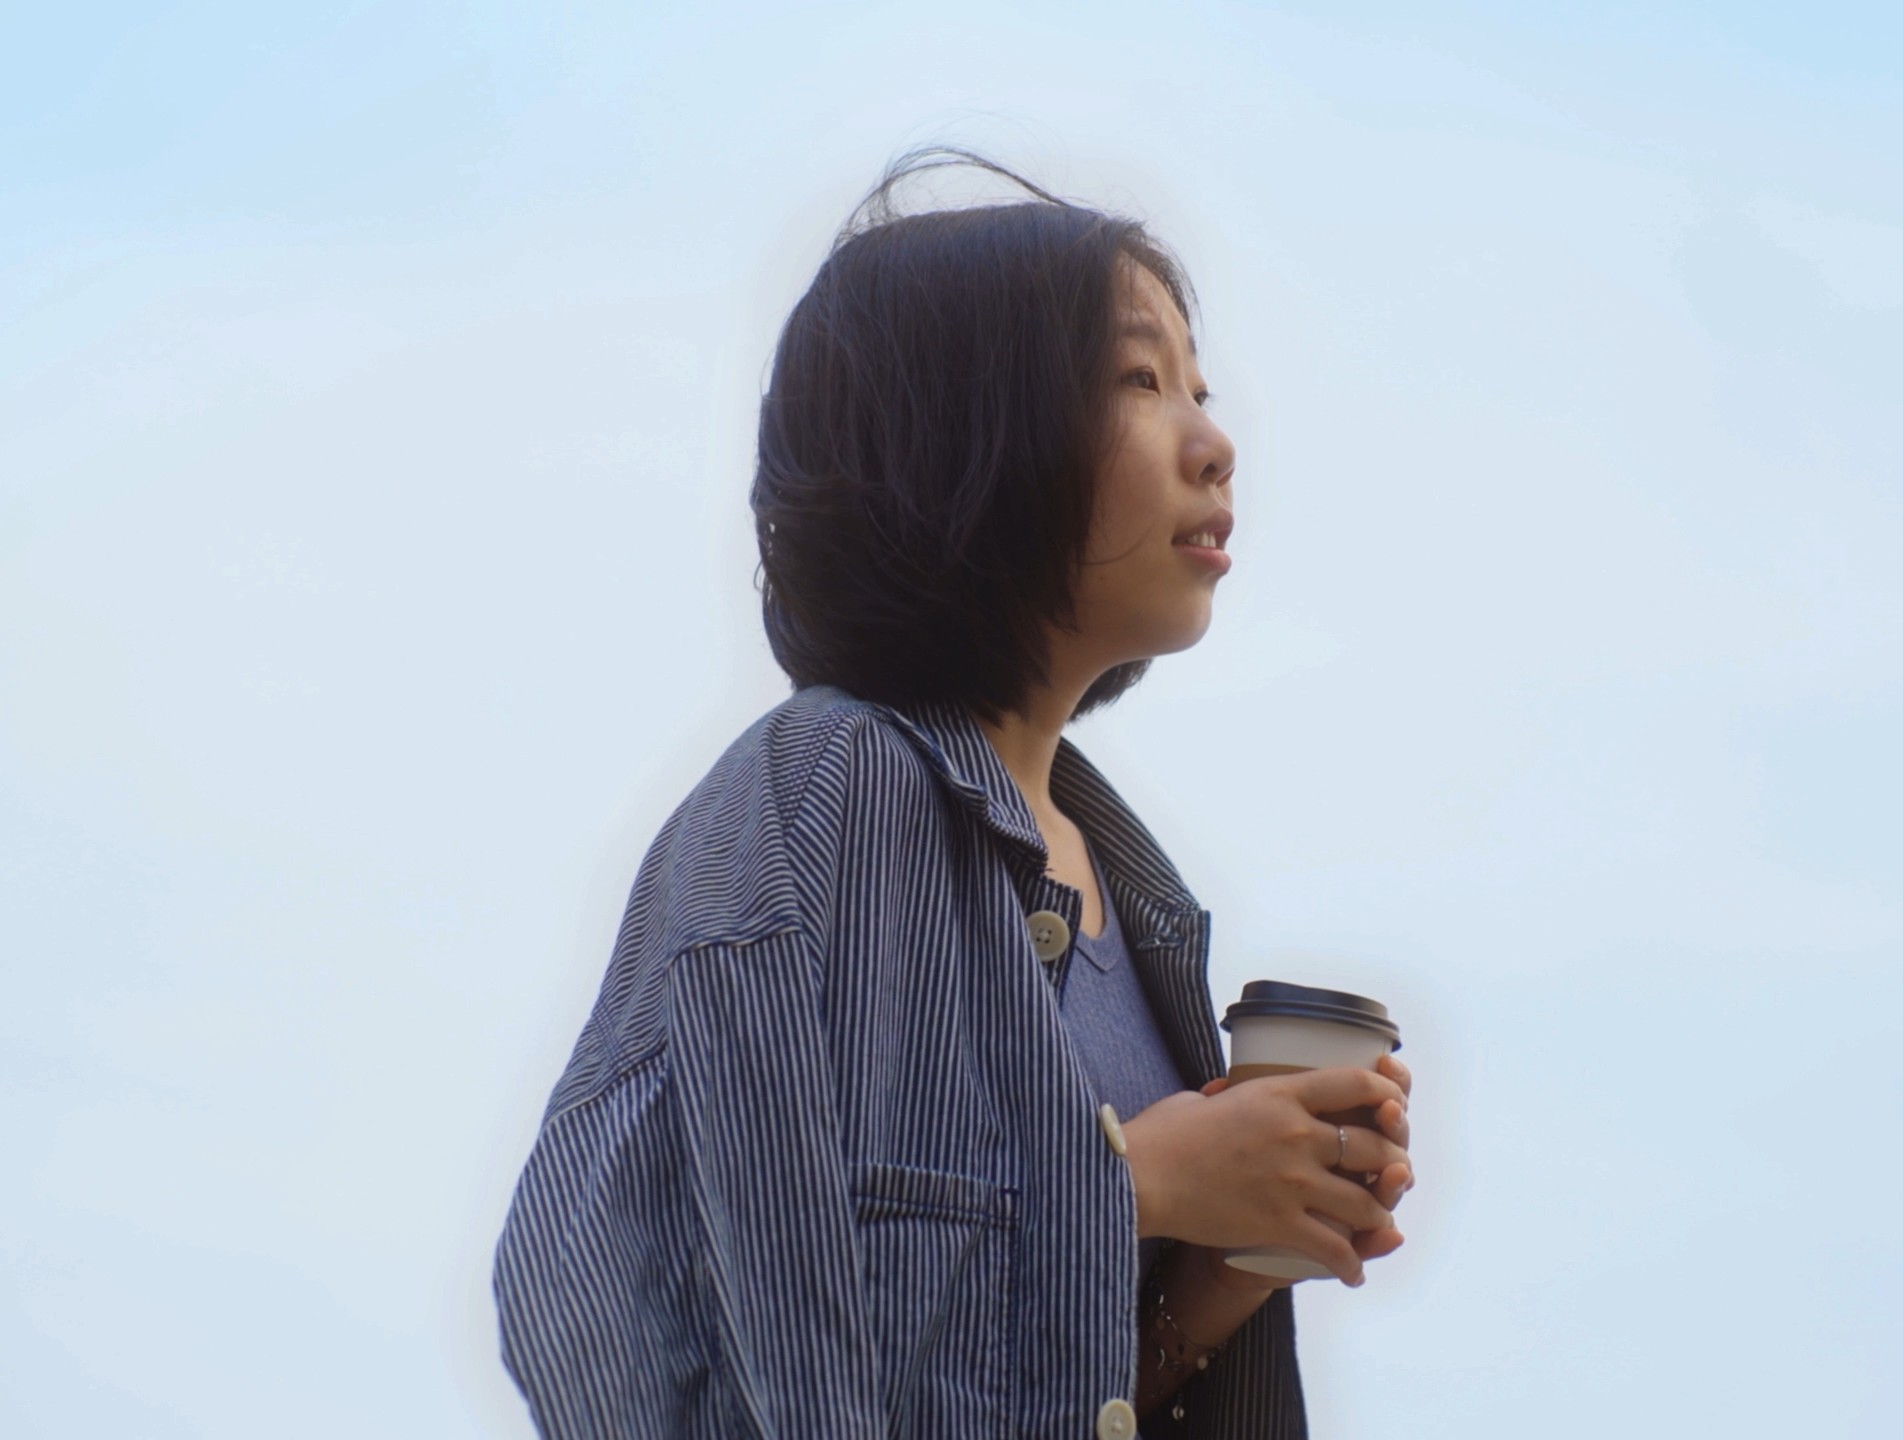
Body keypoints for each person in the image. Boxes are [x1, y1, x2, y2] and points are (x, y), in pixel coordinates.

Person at [491, 149, 1417, 1440]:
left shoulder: (1131, 894)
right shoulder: (827, 788)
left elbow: (1024, 1391)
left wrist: (1224, 1263)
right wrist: (1129, 1183)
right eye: (1140, 381)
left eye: (1198, 387)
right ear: (964, 438)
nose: (1214, 441)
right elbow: (611, 1288)